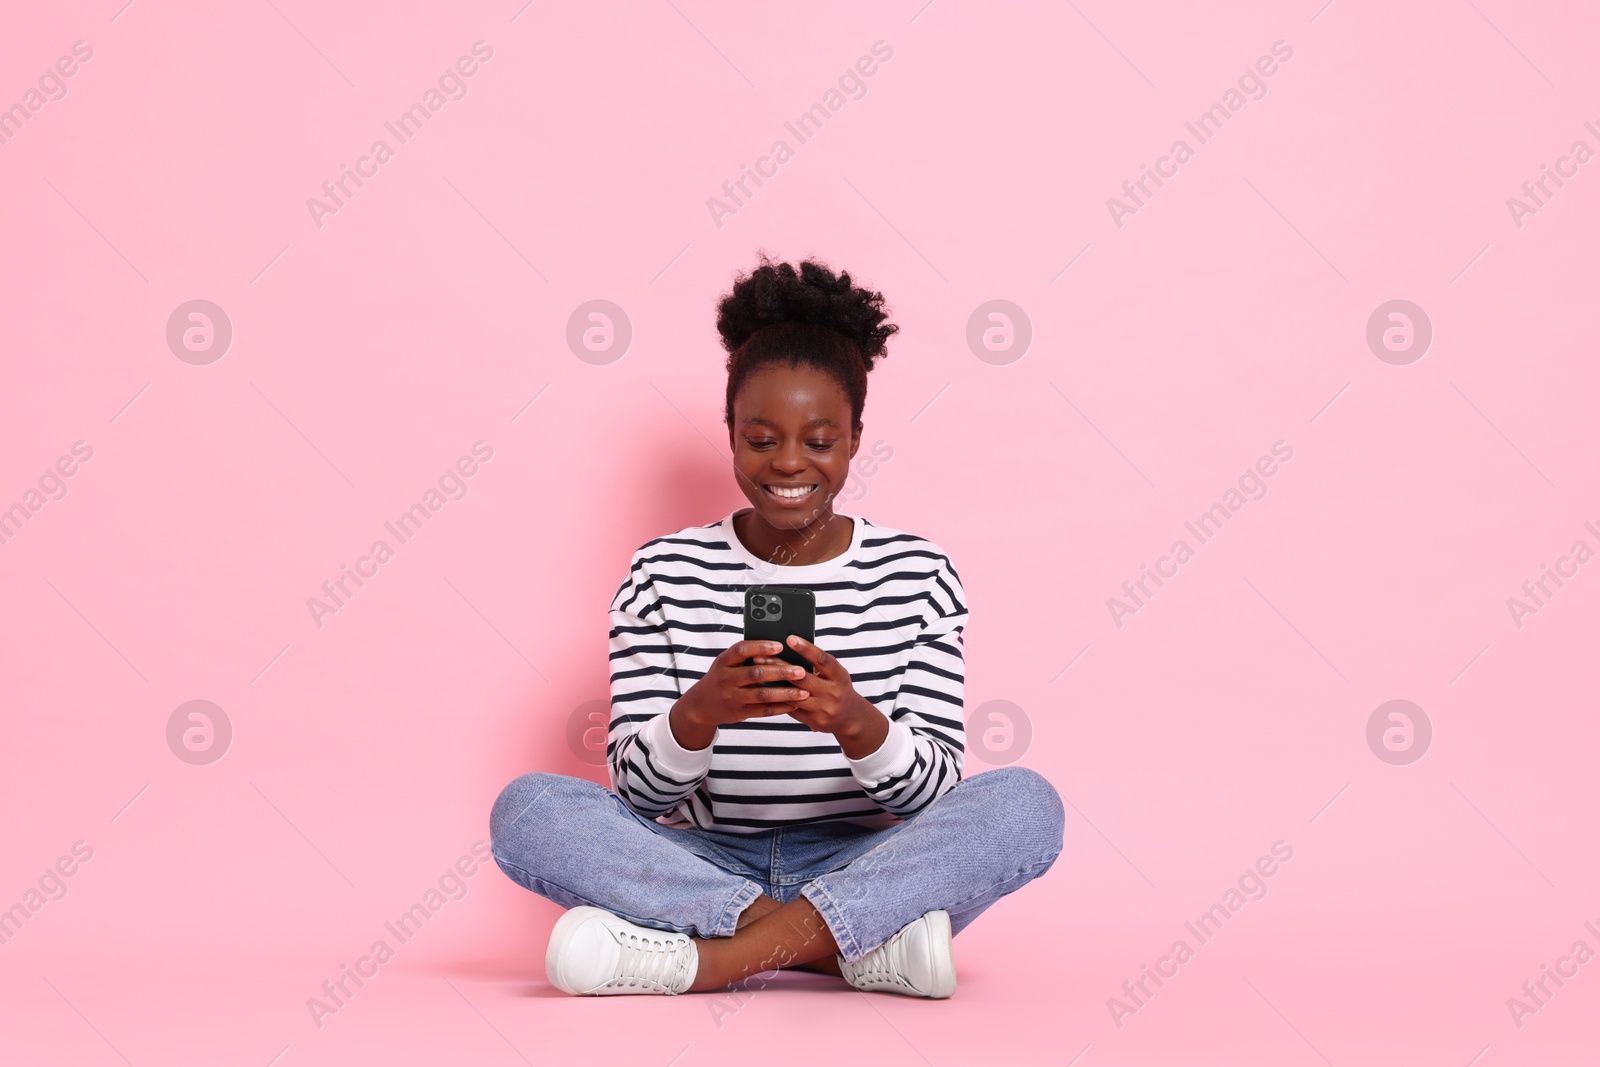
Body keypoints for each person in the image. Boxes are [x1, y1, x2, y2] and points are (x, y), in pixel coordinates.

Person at [490, 257, 1064, 998]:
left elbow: (936, 796)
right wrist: (700, 714)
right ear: (729, 433)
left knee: (1026, 805)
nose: (789, 462)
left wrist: (858, 724)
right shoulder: (663, 572)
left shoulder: (919, 573)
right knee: (529, 808)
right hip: (702, 862)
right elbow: (635, 797)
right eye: (761, 439)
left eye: (819, 440)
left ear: (855, 438)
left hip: (865, 861)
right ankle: (845, 949)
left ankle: (710, 960)